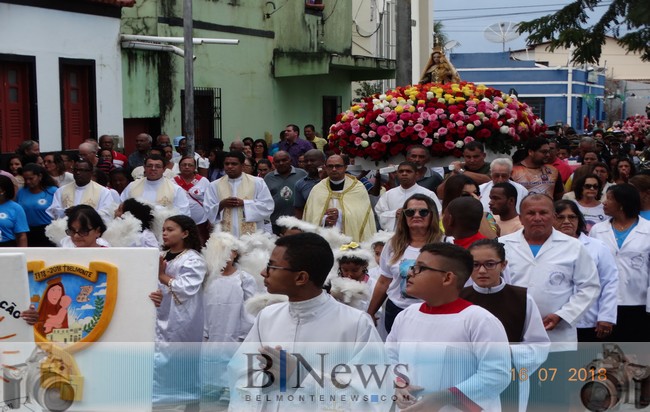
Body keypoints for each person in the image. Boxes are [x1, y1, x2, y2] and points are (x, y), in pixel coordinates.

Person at [228, 232, 385, 411]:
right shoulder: (268, 317)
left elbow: (372, 396)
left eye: (272, 266)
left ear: (301, 277)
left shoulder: (356, 324)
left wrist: (302, 377)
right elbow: (240, 372)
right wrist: (265, 377)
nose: (263, 272)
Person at [387, 243, 511, 412]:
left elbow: (496, 375)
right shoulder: (406, 316)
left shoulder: (479, 320)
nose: (410, 273)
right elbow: (388, 358)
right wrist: (398, 384)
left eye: (420, 268)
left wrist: (443, 398)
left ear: (447, 278)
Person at [460, 239, 550, 412]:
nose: (482, 271)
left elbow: (539, 345)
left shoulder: (522, 299)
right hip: (467, 379)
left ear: (503, 265)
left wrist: (505, 351)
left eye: (490, 264)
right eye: (475, 265)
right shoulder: (459, 298)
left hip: (510, 378)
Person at [500, 194, 599, 348]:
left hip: (557, 333)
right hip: (512, 328)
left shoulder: (573, 246)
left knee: (558, 371)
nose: (537, 218)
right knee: (518, 371)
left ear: (553, 217)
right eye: (531, 213)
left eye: (543, 213)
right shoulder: (502, 245)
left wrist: (563, 315)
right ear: (520, 218)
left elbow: (589, 287)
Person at [148, 215, 206, 410]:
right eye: (163, 229)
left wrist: (162, 276)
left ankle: (189, 403)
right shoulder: (161, 257)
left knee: (180, 362)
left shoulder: (193, 259)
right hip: (159, 315)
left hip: (182, 319)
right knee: (159, 363)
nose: (164, 233)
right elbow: (154, 285)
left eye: (170, 229)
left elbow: (185, 288)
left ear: (185, 233)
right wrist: (156, 295)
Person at [367, 193, 443, 333]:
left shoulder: (445, 243)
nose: (416, 215)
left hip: (432, 311)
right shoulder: (392, 244)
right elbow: (384, 281)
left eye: (423, 212)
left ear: (432, 215)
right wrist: (370, 312)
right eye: (410, 212)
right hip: (397, 311)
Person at [201, 231, 258, 404]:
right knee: (211, 352)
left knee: (232, 353)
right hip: (212, 323)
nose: (226, 255)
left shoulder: (243, 278)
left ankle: (229, 385)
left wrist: (245, 330)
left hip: (234, 324)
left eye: (229, 250)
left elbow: (250, 305)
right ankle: (212, 383)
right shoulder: (208, 279)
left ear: (235, 253)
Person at [590, 184, 650, 342]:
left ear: (622, 203)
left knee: (635, 353)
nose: (604, 202)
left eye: (609, 198)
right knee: (606, 354)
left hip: (639, 302)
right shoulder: (597, 230)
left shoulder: (647, 229)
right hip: (604, 303)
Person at [553, 200, 618, 342]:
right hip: (556, 321)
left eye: (572, 217)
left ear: (579, 220)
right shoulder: (547, 249)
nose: (566, 221)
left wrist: (606, 317)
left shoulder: (597, 247)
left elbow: (610, 282)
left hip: (591, 320)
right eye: (560, 217)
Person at [302, 154, 376, 242]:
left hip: (350, 240)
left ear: (345, 168)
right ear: (325, 168)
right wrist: (325, 220)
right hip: (324, 240)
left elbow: (362, 217)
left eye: (338, 166)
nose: (334, 169)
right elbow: (311, 216)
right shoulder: (318, 189)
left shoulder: (357, 188)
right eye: (330, 166)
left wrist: (340, 215)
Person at [204, 151, 274, 237]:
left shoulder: (257, 182)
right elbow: (208, 209)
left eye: (234, 164)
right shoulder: (214, 185)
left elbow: (268, 206)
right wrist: (222, 204)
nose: (230, 166)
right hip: (225, 236)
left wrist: (244, 203)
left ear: (242, 166)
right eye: (227, 164)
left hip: (252, 237)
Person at [374, 161, 441, 231]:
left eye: (408, 171)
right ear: (397, 174)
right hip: (395, 235)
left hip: (421, 234)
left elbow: (437, 214)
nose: (404, 174)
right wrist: (394, 214)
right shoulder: (388, 195)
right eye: (401, 171)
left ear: (416, 174)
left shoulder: (428, 194)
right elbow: (379, 213)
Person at [121, 154, 191, 216]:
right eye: (149, 166)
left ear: (164, 169)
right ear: (144, 167)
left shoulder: (175, 189)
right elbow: (121, 207)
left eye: (158, 166)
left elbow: (184, 213)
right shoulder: (132, 186)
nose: (153, 169)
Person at [47, 159, 115, 222]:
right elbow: (53, 210)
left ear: (91, 173)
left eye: (82, 170)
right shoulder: (61, 190)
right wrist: (65, 211)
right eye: (76, 170)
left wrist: (82, 212)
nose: (78, 172)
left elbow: (107, 213)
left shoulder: (103, 192)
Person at [264, 151, 307, 234]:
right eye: (277, 161)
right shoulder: (268, 178)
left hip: (297, 223)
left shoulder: (302, 174)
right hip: (275, 223)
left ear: (290, 161)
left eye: (284, 160)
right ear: (273, 163)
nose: (281, 163)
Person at [327, 242, 376, 311]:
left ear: (365, 265)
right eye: (345, 270)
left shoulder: (373, 285)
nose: (349, 274)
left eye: (355, 270)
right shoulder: (335, 285)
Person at [16, 163, 57, 246]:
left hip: (47, 231)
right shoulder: (21, 192)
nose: (28, 182)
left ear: (40, 176)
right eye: (25, 179)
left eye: (31, 178)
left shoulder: (52, 191)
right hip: (27, 231)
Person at [173, 156, 210, 244]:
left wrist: (210, 219)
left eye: (190, 165)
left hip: (201, 223)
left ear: (195, 167)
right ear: (179, 167)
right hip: (179, 224)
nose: (187, 167)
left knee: (201, 245)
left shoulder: (203, 181)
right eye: (184, 165)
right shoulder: (172, 181)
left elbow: (210, 201)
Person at [293, 149, 325, 219]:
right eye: (306, 161)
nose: (309, 163)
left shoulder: (331, 180)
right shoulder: (300, 184)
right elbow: (298, 209)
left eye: (312, 160)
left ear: (323, 162)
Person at [0, 175, 29, 247]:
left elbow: (21, 235)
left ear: (3, 191)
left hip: (7, 247)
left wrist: (23, 253)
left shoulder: (16, 208)